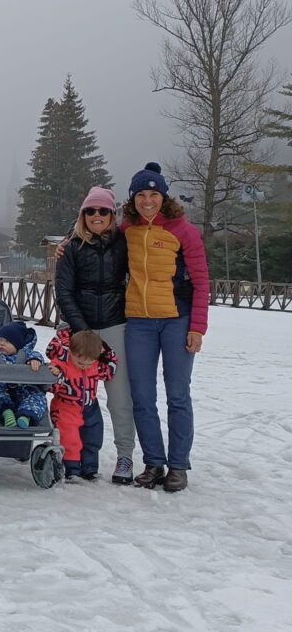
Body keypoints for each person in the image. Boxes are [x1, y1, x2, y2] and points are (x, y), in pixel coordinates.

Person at [120, 162, 209, 493]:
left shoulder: (183, 231)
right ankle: (154, 462)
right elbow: (94, 237)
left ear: (163, 196)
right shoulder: (126, 229)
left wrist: (197, 326)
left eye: (153, 194)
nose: (147, 200)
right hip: (139, 322)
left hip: (177, 319)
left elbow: (201, 281)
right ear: (132, 199)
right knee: (142, 396)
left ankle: (178, 466)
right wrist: (65, 245)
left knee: (177, 395)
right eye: (141, 194)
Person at [54, 186, 137, 484]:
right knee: (72, 393)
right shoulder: (72, 247)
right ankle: (72, 455)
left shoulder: (124, 242)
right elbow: (63, 292)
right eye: (90, 211)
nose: (97, 216)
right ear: (83, 215)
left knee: (118, 396)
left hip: (115, 323)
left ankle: (125, 455)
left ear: (112, 214)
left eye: (103, 210)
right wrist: (82, 330)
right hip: (80, 327)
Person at [46, 328, 116, 480]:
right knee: (69, 439)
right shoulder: (62, 365)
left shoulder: (95, 364)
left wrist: (107, 352)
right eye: (80, 362)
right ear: (70, 352)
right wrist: (55, 375)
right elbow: (51, 386)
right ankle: (72, 469)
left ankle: (89, 468)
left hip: (91, 407)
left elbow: (109, 371)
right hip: (66, 407)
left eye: (89, 362)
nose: (84, 365)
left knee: (93, 437)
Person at [0, 322, 47, 427]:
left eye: (7, 341)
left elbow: (36, 355)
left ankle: (26, 415)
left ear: (17, 345)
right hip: (0, 386)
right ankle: (6, 413)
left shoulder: (25, 354)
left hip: (23, 387)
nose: (2, 344)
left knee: (37, 396)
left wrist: (34, 360)